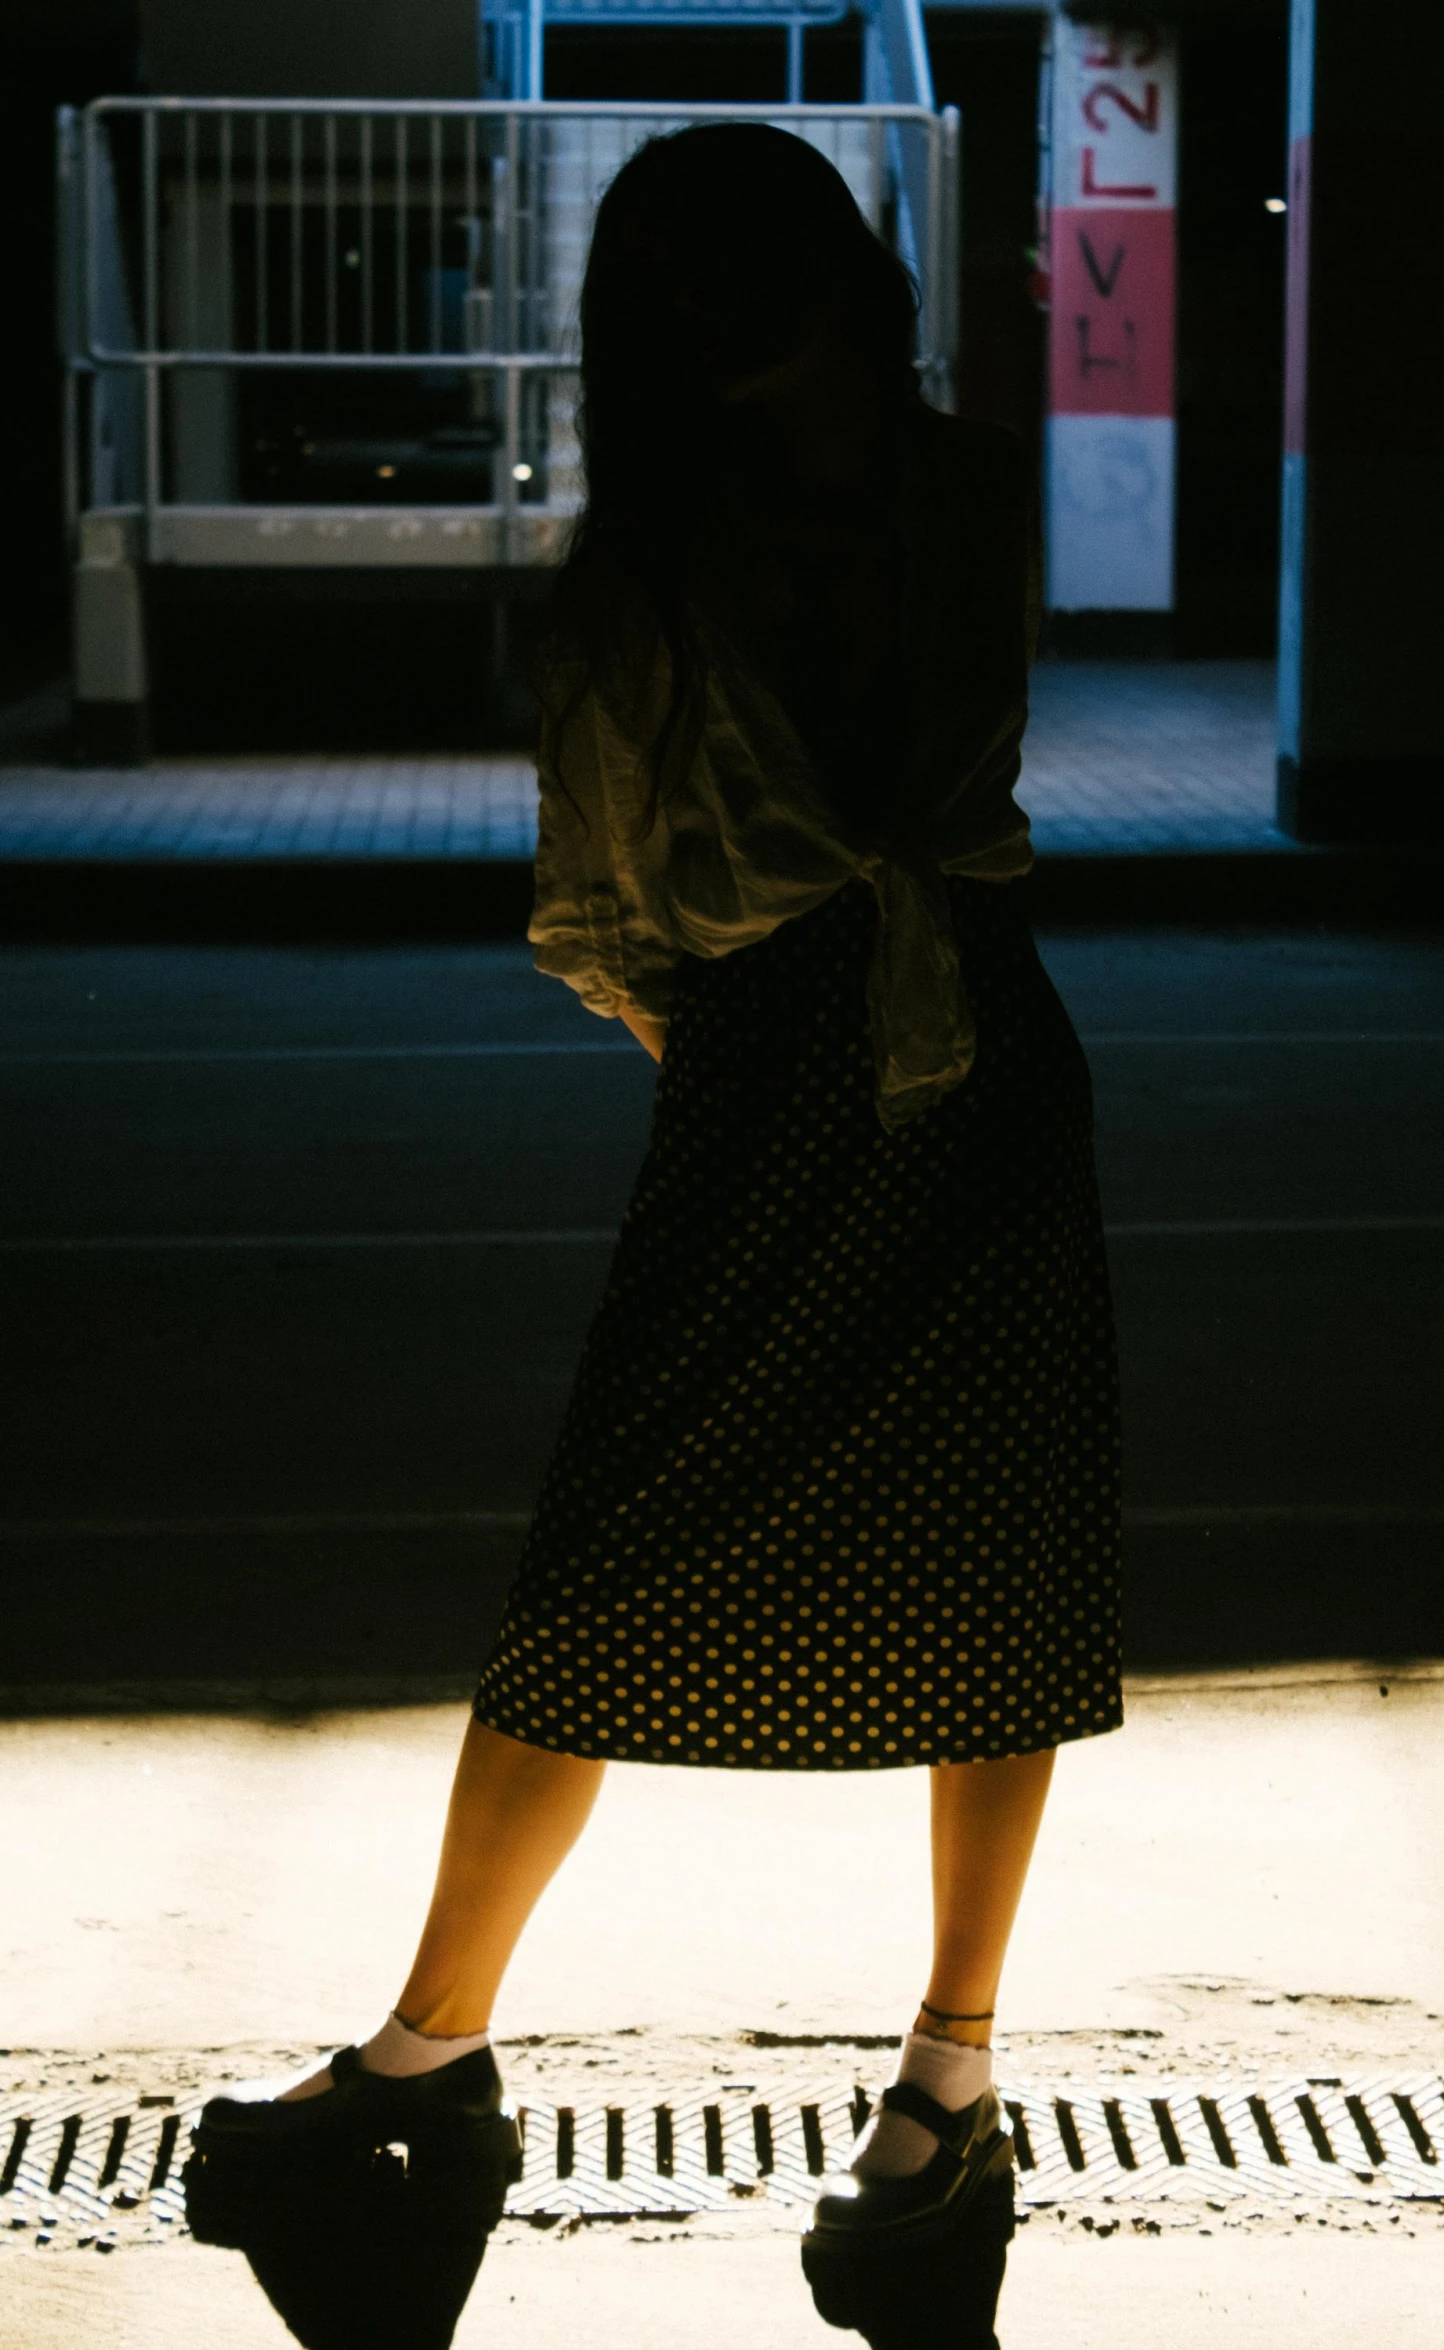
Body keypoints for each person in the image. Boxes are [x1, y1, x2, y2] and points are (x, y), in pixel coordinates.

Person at [186, 122, 1123, 2346]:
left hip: (865, 1050)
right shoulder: (890, 505)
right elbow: (627, 899)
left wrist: (745, 1025)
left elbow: (600, 914)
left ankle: (885, 2070)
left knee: (834, 1560)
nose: (758, 334)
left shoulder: (710, 553)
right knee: (668, 1557)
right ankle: (830, 2088)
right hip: (919, 1041)